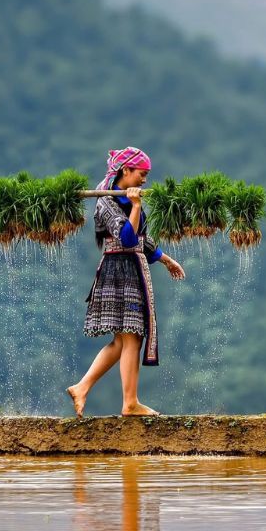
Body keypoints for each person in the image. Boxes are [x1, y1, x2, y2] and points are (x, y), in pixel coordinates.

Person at [67, 147, 186, 417]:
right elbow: (128, 239)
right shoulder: (107, 200)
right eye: (141, 174)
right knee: (131, 337)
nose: (145, 180)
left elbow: (143, 241)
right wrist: (135, 206)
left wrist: (167, 260)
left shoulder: (124, 197)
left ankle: (82, 386)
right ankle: (130, 403)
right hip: (117, 270)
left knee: (123, 342)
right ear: (126, 171)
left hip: (130, 268)